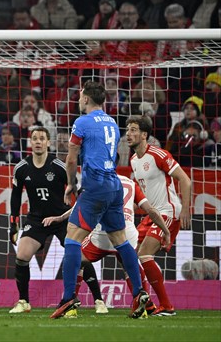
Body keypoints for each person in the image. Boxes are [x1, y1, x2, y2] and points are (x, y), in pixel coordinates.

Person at [50, 81, 152, 319]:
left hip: (94, 185)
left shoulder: (81, 122)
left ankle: (67, 298)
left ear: (86, 99)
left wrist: (71, 185)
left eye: (80, 96)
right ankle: (139, 293)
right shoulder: (113, 123)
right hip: (114, 185)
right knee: (121, 240)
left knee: (72, 239)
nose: (78, 99)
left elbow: (71, 159)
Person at [8, 127, 106, 314]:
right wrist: (13, 224)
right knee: (21, 256)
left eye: (41, 138)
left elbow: (77, 191)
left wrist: (79, 217)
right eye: (34, 138)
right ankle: (24, 301)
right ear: (31, 143)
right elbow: (15, 197)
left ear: (48, 143)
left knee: (82, 258)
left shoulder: (58, 166)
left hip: (62, 219)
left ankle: (99, 300)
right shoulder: (21, 168)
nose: (38, 141)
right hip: (37, 219)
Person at [44, 173, 170, 316]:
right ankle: (145, 304)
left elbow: (81, 207)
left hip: (102, 236)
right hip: (127, 234)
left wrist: (61, 218)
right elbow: (151, 211)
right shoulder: (131, 183)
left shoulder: (97, 180)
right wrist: (166, 232)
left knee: (76, 261)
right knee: (130, 266)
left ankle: (70, 306)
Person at [126, 115, 192, 316]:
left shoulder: (158, 155)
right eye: (128, 130)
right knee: (128, 256)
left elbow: (185, 180)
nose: (129, 134)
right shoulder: (133, 160)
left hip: (168, 212)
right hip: (151, 215)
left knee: (144, 254)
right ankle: (145, 303)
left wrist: (187, 209)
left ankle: (167, 306)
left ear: (144, 135)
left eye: (134, 130)